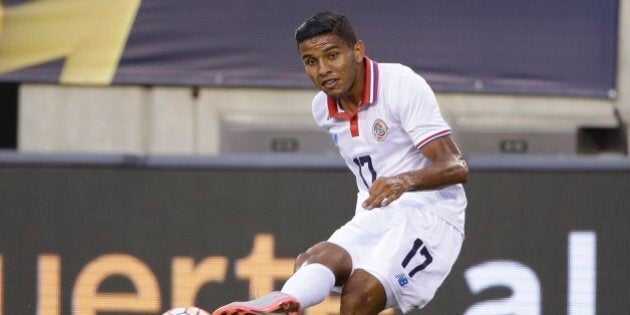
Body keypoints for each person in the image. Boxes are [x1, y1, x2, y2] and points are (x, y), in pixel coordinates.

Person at [213, 11, 468, 315]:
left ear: (357, 51)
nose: (323, 70)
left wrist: (403, 181)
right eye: (311, 62)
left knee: (359, 294)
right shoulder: (323, 108)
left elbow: (456, 166)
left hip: (431, 216)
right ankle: (284, 301)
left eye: (332, 55)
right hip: (376, 214)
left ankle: (289, 298)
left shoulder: (400, 85)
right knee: (314, 260)